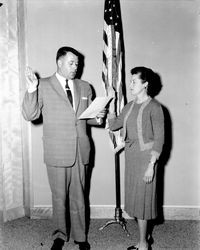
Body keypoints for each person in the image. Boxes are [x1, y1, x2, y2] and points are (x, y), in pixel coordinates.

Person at [22, 46, 106, 250]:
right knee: (59, 197)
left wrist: (98, 117)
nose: (75, 67)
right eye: (71, 63)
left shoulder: (85, 87)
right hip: (56, 151)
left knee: (80, 197)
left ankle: (81, 237)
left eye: (77, 63)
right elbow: (30, 115)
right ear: (59, 62)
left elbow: (86, 119)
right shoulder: (42, 85)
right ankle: (59, 236)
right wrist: (32, 89)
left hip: (80, 150)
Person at [108, 66, 164, 250]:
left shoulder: (155, 108)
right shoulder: (129, 106)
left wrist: (151, 165)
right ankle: (145, 236)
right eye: (130, 81)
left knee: (143, 202)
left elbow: (160, 139)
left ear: (145, 84)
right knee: (136, 201)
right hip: (131, 159)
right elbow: (115, 125)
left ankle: (142, 244)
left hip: (146, 160)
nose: (130, 84)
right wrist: (110, 103)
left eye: (134, 81)